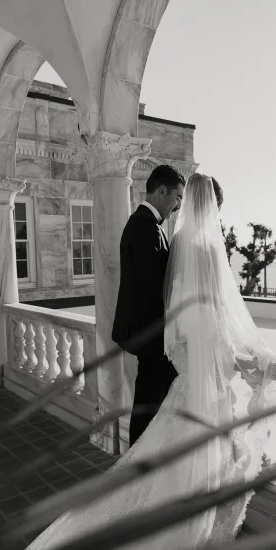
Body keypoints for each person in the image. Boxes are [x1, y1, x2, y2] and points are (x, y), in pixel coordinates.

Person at [0, 174, 276, 550]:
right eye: (176, 198)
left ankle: (150, 500)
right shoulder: (176, 240)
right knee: (170, 436)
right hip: (187, 363)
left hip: (179, 362)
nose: (179, 206)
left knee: (163, 435)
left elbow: (177, 308)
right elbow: (209, 312)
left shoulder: (174, 241)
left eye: (185, 200)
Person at [112, 164, 185, 446]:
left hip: (147, 332)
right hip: (149, 335)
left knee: (152, 400)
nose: (178, 206)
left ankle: (144, 461)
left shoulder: (147, 223)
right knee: (148, 404)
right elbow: (152, 283)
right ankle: (137, 466)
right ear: (162, 191)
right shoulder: (145, 226)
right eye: (177, 197)